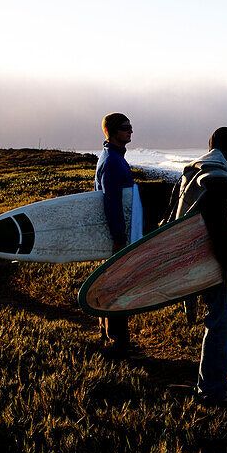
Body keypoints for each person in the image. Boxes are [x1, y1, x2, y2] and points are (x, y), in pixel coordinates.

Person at [167, 127, 227, 404]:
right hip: (213, 261)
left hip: (201, 259)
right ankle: (211, 391)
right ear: (225, 148)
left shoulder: (199, 169)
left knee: (217, 321)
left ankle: (212, 382)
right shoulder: (215, 176)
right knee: (220, 323)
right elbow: (218, 221)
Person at [95, 112, 135, 356]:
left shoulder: (114, 157)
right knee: (117, 287)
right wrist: (119, 239)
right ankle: (118, 344)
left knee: (111, 285)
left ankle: (110, 337)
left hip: (116, 235)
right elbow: (112, 203)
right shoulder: (111, 161)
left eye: (131, 126)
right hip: (116, 237)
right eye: (125, 127)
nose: (130, 131)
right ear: (110, 130)